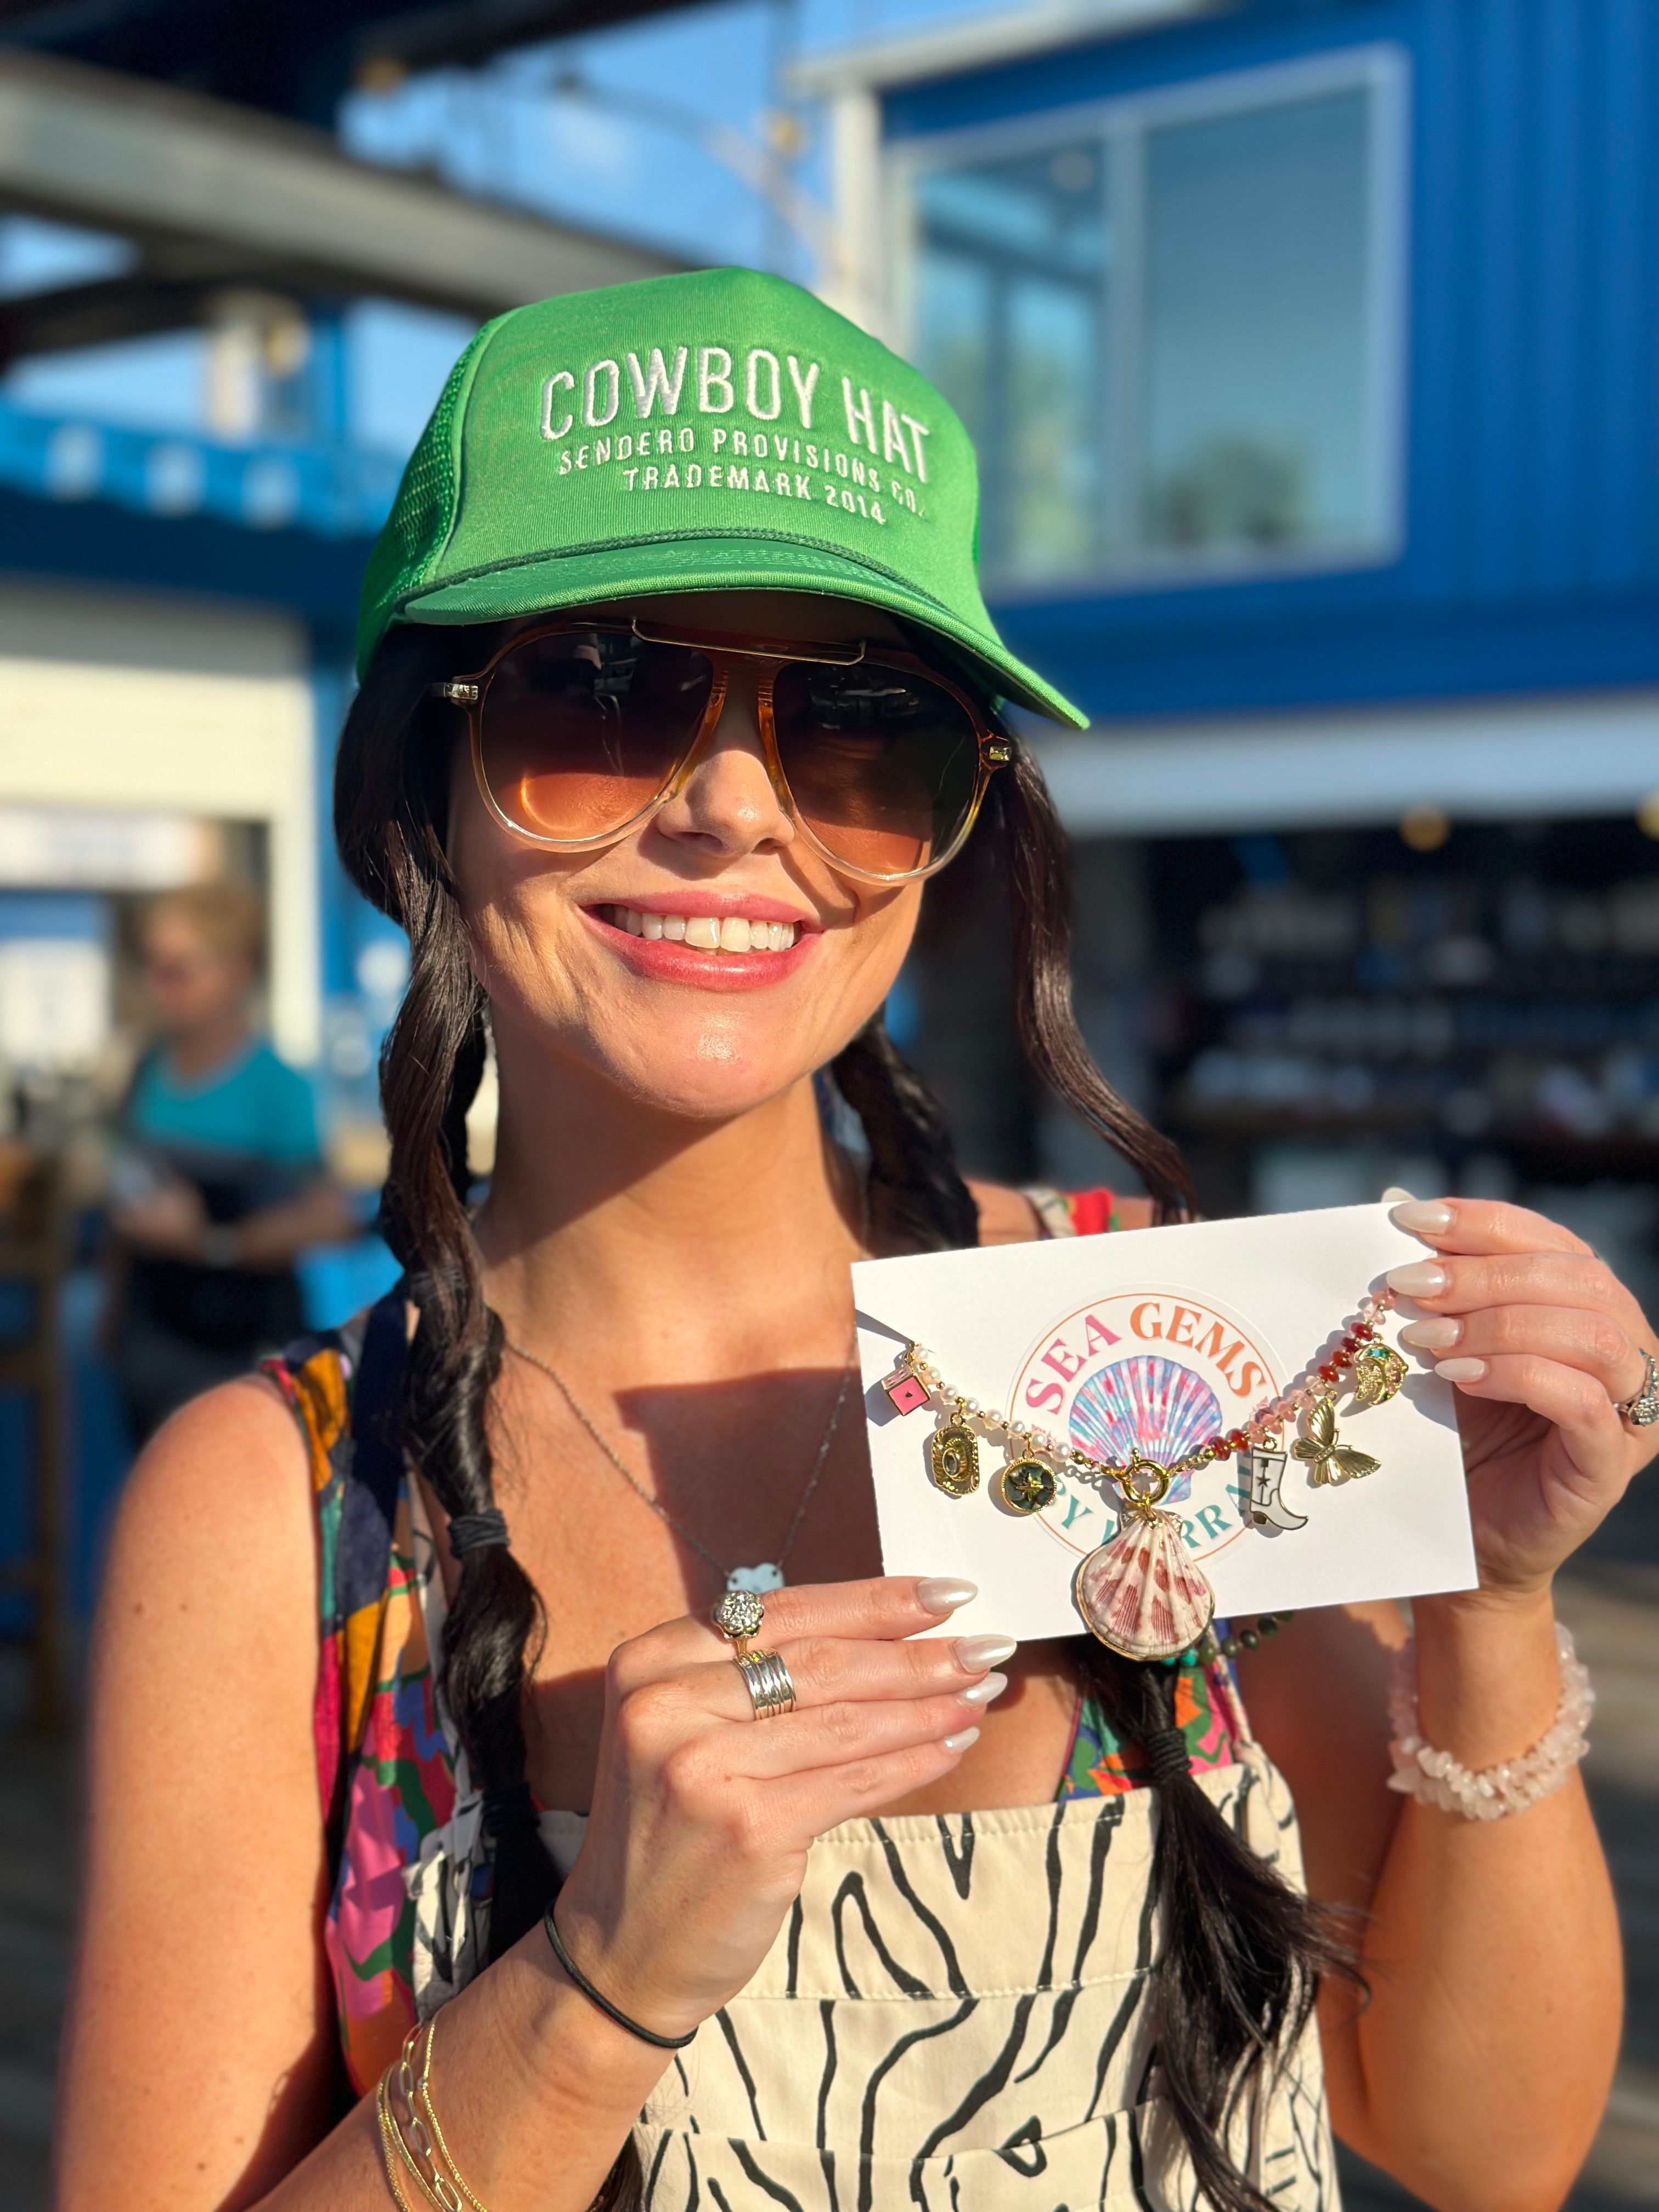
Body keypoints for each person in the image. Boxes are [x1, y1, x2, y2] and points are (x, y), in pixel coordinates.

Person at [57, 270, 1642, 2212]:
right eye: (605, 693)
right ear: (421, 785)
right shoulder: (277, 1508)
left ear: (957, 819)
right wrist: (593, 1986)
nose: (735, 809)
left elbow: (1483, 2142)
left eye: (861, 731)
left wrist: (1486, 1606)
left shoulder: (1142, 1334)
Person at [106, 882, 356, 1442]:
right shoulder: (146, 1071)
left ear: (236, 970)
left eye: (179, 970)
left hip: (237, 1343)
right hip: (151, 1338)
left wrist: (213, 1243)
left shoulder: (276, 1087)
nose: (158, 987)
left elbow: (330, 1217)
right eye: (152, 967)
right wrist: (112, 1311)